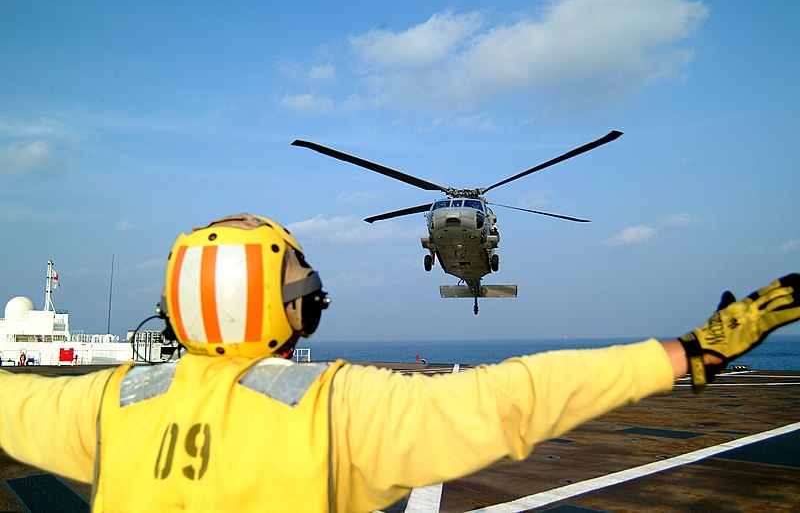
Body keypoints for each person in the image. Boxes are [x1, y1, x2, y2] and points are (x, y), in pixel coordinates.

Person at [0, 212, 798, 512]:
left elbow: (12, 402)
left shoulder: (108, 404)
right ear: (293, 308)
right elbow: (519, 395)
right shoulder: (335, 408)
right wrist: (696, 350)